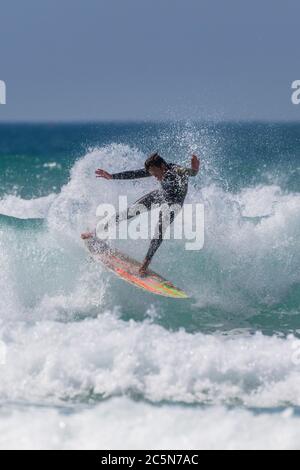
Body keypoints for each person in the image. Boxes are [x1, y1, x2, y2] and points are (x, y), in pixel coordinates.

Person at [81, 152, 200, 275]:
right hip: (161, 195)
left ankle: (145, 264)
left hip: (174, 203)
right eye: (152, 174)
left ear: (162, 167)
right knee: (129, 212)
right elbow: (135, 174)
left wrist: (195, 169)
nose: (154, 177)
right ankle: (95, 232)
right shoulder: (158, 169)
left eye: (155, 173)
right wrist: (111, 176)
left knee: (159, 230)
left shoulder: (176, 170)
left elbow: (191, 173)